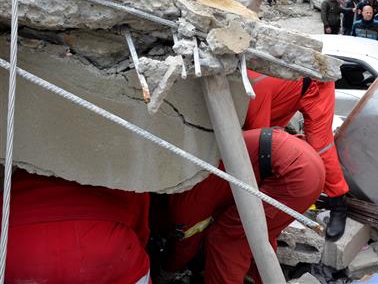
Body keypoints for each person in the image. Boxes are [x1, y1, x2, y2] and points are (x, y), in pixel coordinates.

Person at [164, 129, 325, 284]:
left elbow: (185, 243)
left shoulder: (186, 197)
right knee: (258, 236)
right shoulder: (199, 163)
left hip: (292, 173)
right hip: (304, 161)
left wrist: (168, 269)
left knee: (226, 239)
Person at [244, 70, 349, 240]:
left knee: (321, 147)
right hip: (283, 93)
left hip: (314, 85)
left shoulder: (253, 92)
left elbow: (258, 144)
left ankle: (339, 203)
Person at [5, 169, 151, 283]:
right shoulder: (124, 171)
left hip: (18, 243)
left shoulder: (27, 159)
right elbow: (139, 226)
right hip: (103, 243)